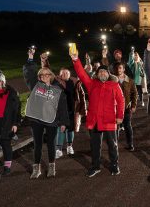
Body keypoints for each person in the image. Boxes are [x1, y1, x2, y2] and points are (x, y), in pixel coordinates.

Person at [71, 49, 125, 177]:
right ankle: (95, 166)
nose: (102, 73)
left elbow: (121, 101)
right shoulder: (91, 84)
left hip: (109, 120)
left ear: (108, 74)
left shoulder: (114, 85)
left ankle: (114, 165)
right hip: (94, 120)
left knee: (112, 145)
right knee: (95, 146)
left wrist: (120, 116)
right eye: (100, 71)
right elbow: (82, 74)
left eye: (104, 71)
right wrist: (75, 60)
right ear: (97, 74)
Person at [23, 49, 69, 179]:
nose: (44, 77)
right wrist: (30, 58)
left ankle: (52, 166)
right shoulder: (35, 85)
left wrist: (64, 122)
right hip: (37, 119)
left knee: (51, 144)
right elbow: (28, 73)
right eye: (42, 75)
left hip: (51, 119)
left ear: (51, 76)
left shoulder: (57, 89)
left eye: (47, 74)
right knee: (37, 144)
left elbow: (62, 107)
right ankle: (36, 168)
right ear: (39, 77)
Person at [54, 68, 76, 158]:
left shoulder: (74, 82)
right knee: (60, 129)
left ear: (69, 74)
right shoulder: (57, 82)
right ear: (60, 74)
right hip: (60, 110)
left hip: (71, 110)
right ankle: (58, 149)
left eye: (67, 73)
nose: (65, 74)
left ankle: (69, 146)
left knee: (70, 129)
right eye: (62, 73)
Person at [116, 63, 137, 151]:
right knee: (116, 127)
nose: (119, 70)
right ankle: (115, 144)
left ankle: (130, 144)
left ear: (124, 69)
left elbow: (134, 94)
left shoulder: (130, 81)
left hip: (126, 108)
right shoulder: (113, 80)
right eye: (117, 68)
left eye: (120, 68)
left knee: (127, 126)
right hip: (115, 108)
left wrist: (133, 105)